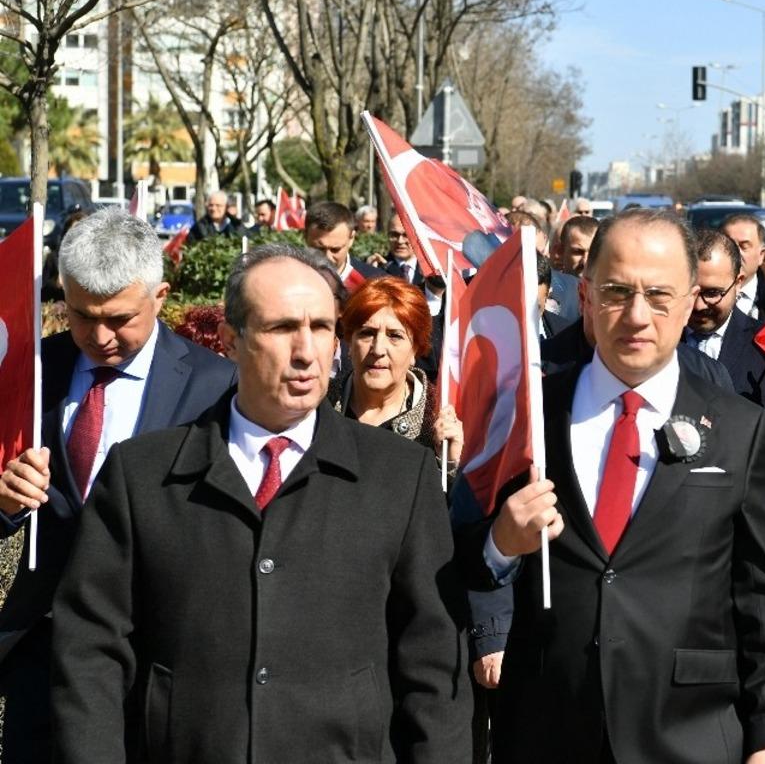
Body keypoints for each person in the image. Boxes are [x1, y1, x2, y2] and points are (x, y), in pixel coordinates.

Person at [51, 243, 472, 762]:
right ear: (230, 340)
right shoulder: (143, 474)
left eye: (321, 328)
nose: (306, 351)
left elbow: (434, 668)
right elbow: (90, 650)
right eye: (280, 329)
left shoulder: (399, 476)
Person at [458, 209, 765, 764]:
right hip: (549, 732)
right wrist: (500, 542)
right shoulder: (527, 415)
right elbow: (456, 568)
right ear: (588, 296)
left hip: (690, 736)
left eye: (659, 295)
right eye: (618, 292)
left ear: (693, 301)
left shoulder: (740, 428)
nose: (637, 315)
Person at [0, 209, 236, 761]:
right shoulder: (29, 371)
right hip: (44, 652)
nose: (99, 337)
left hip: (159, 654)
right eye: (80, 315)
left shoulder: (215, 386)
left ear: (160, 296)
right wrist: (4, 503)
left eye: (120, 319)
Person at [327, 276, 462, 462]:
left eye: (394, 336)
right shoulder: (318, 407)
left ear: (415, 349)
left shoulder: (438, 421)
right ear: (349, 342)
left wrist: (450, 464)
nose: (378, 350)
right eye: (367, 333)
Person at [684, 229, 765, 405]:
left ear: (738, 283)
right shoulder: (655, 340)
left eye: (712, 293)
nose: (699, 305)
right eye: (691, 292)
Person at [721, 213, 765, 322]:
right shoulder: (699, 301)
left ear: (761, 255)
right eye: (729, 245)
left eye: (744, 246)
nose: (736, 253)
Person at [304, 200, 384, 290]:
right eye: (319, 249)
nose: (327, 257)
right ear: (305, 237)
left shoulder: (375, 284)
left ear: (351, 238)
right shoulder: (290, 279)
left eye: (335, 249)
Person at [369, 214, 425, 285]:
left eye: (406, 235)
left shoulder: (430, 270)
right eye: (394, 235)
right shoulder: (377, 268)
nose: (400, 241)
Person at [536, 253, 572, 339]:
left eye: (534, 308)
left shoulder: (568, 335)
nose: (525, 315)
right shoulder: (498, 334)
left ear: (548, 293)